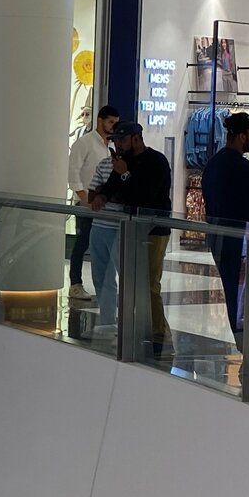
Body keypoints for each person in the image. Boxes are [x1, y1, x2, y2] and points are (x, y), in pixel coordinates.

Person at [91, 121, 173, 356]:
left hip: (154, 231)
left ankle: (158, 335)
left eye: (122, 139)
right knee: (133, 282)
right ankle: (139, 329)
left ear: (136, 138)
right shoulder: (123, 162)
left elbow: (146, 197)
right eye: (116, 140)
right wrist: (102, 197)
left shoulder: (156, 161)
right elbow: (111, 186)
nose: (118, 144)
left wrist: (125, 174)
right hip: (132, 229)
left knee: (149, 284)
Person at [201, 112, 249, 350]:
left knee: (232, 291)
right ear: (242, 136)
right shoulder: (242, 168)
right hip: (239, 240)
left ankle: (240, 343)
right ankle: (244, 344)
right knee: (241, 294)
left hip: (219, 238)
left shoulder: (213, 165)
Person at [67, 105, 119, 300]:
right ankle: (75, 283)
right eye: (110, 122)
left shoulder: (111, 147)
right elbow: (73, 174)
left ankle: (105, 285)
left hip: (105, 206)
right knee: (82, 244)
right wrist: (85, 200)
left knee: (103, 246)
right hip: (87, 205)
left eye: (116, 123)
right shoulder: (84, 143)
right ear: (100, 120)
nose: (113, 126)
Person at [87, 153, 124, 335]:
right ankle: (107, 321)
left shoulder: (133, 166)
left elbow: (127, 195)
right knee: (101, 276)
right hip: (99, 225)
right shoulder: (104, 164)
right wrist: (104, 193)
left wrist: (105, 192)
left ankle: (128, 324)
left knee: (126, 277)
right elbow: (92, 196)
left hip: (122, 227)